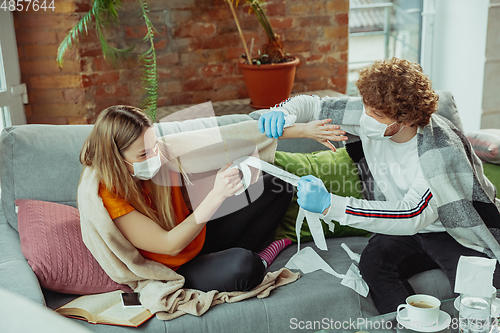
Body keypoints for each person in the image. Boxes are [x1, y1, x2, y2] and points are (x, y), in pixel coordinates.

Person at [258, 57, 500, 314]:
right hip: (410, 233)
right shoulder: (370, 112)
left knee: (482, 295)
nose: (366, 118)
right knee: (374, 264)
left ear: (405, 120)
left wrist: (331, 205)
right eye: (366, 108)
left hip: (454, 232)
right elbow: (311, 104)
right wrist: (282, 111)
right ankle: (405, 328)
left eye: (378, 115)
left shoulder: (439, 151)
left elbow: (412, 214)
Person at [78, 105, 343, 293]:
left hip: (201, 236)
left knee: (276, 184)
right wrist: (216, 195)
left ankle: (241, 252)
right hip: (176, 266)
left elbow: (236, 137)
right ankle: (256, 257)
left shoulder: (162, 151)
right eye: (143, 155)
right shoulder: (107, 195)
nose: (155, 156)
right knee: (245, 267)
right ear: (116, 159)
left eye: (154, 146)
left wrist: (305, 130)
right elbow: (169, 245)